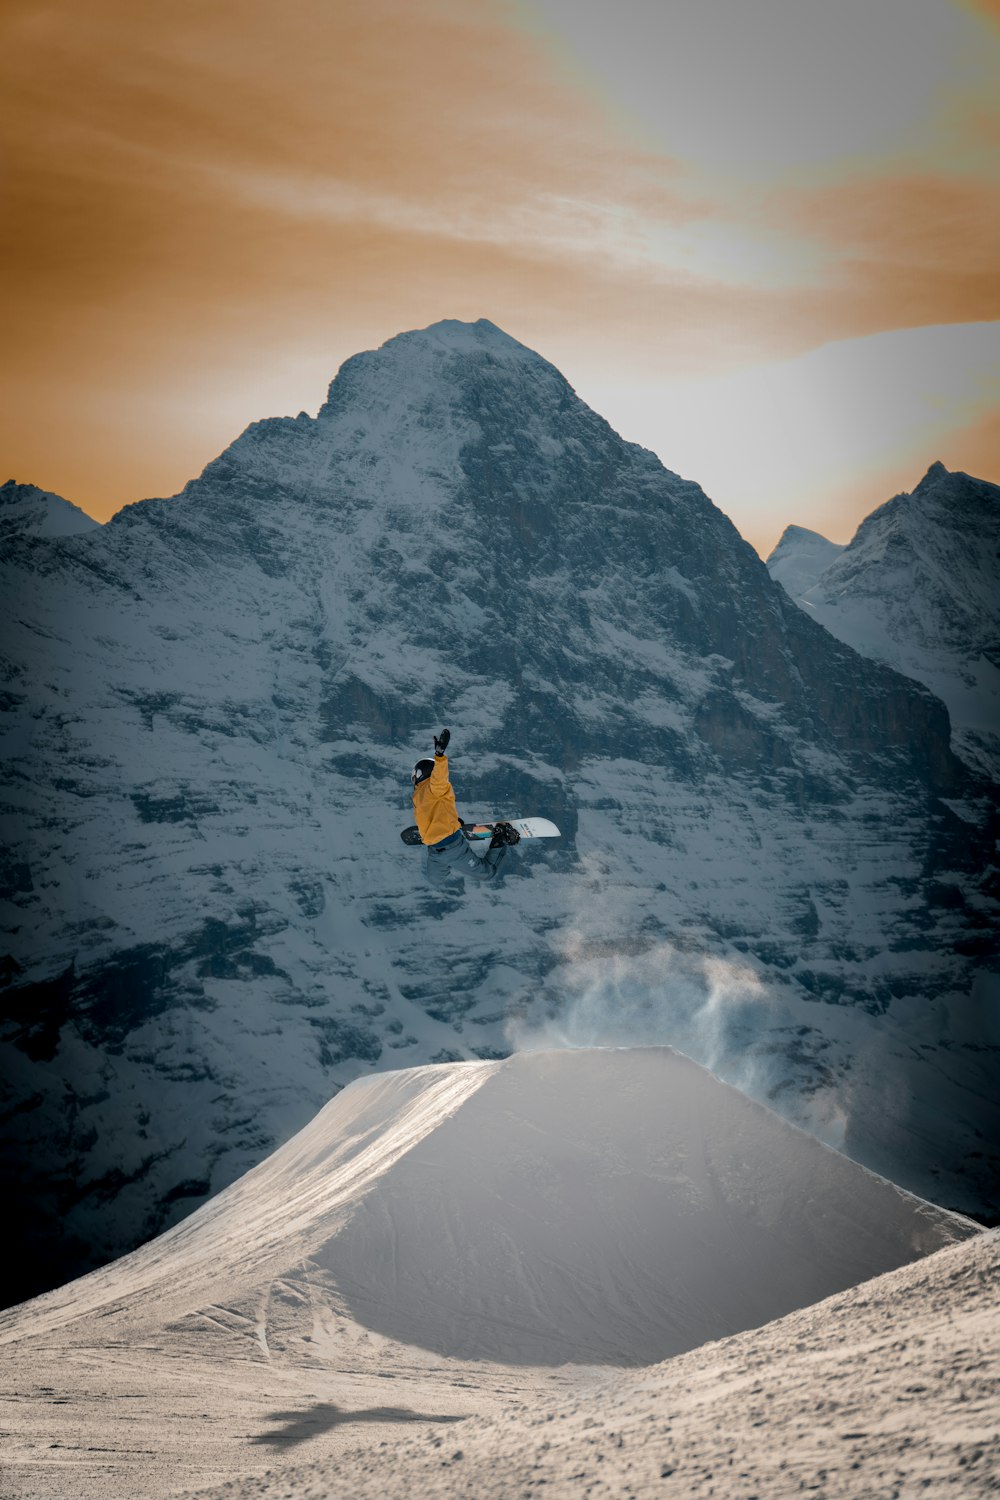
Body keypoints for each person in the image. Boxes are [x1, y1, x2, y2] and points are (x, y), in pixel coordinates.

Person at [411, 728, 519, 886]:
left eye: (415, 774)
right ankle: (453, 842)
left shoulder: (433, 786)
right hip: (435, 851)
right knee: (434, 880)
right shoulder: (419, 795)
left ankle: (500, 839)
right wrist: (452, 821)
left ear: (421, 773)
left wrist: (439, 757)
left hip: (452, 847)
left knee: (487, 873)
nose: (413, 778)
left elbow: (439, 779)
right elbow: (437, 811)